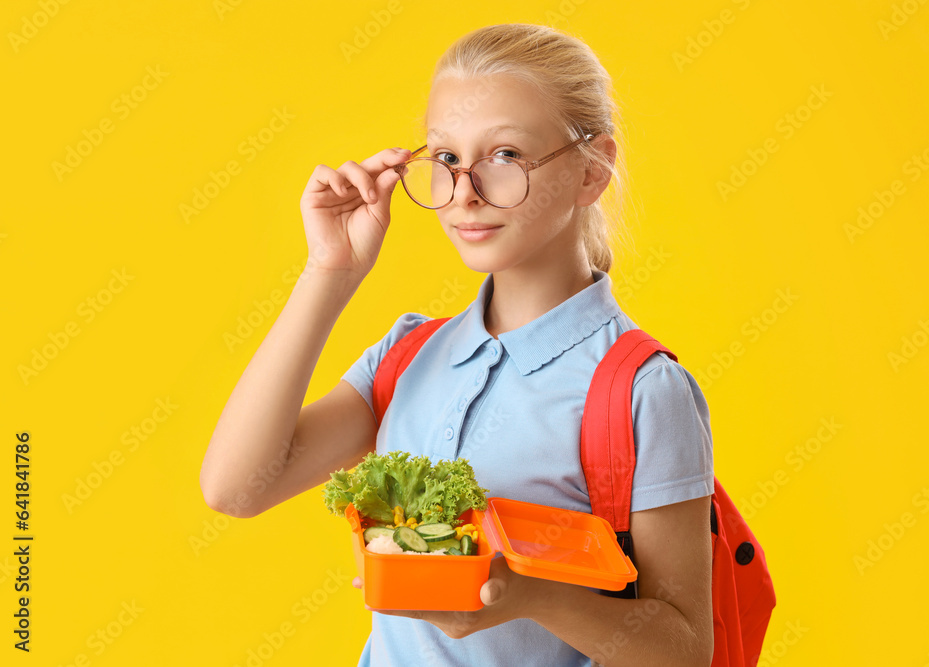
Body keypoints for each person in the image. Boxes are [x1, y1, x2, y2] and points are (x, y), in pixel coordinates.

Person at [200, 23, 715, 667]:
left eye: (504, 156)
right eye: (445, 158)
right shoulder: (409, 353)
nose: (465, 193)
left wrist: (524, 596)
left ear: (592, 170)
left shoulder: (639, 388)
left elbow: (687, 650)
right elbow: (235, 489)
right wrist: (329, 273)